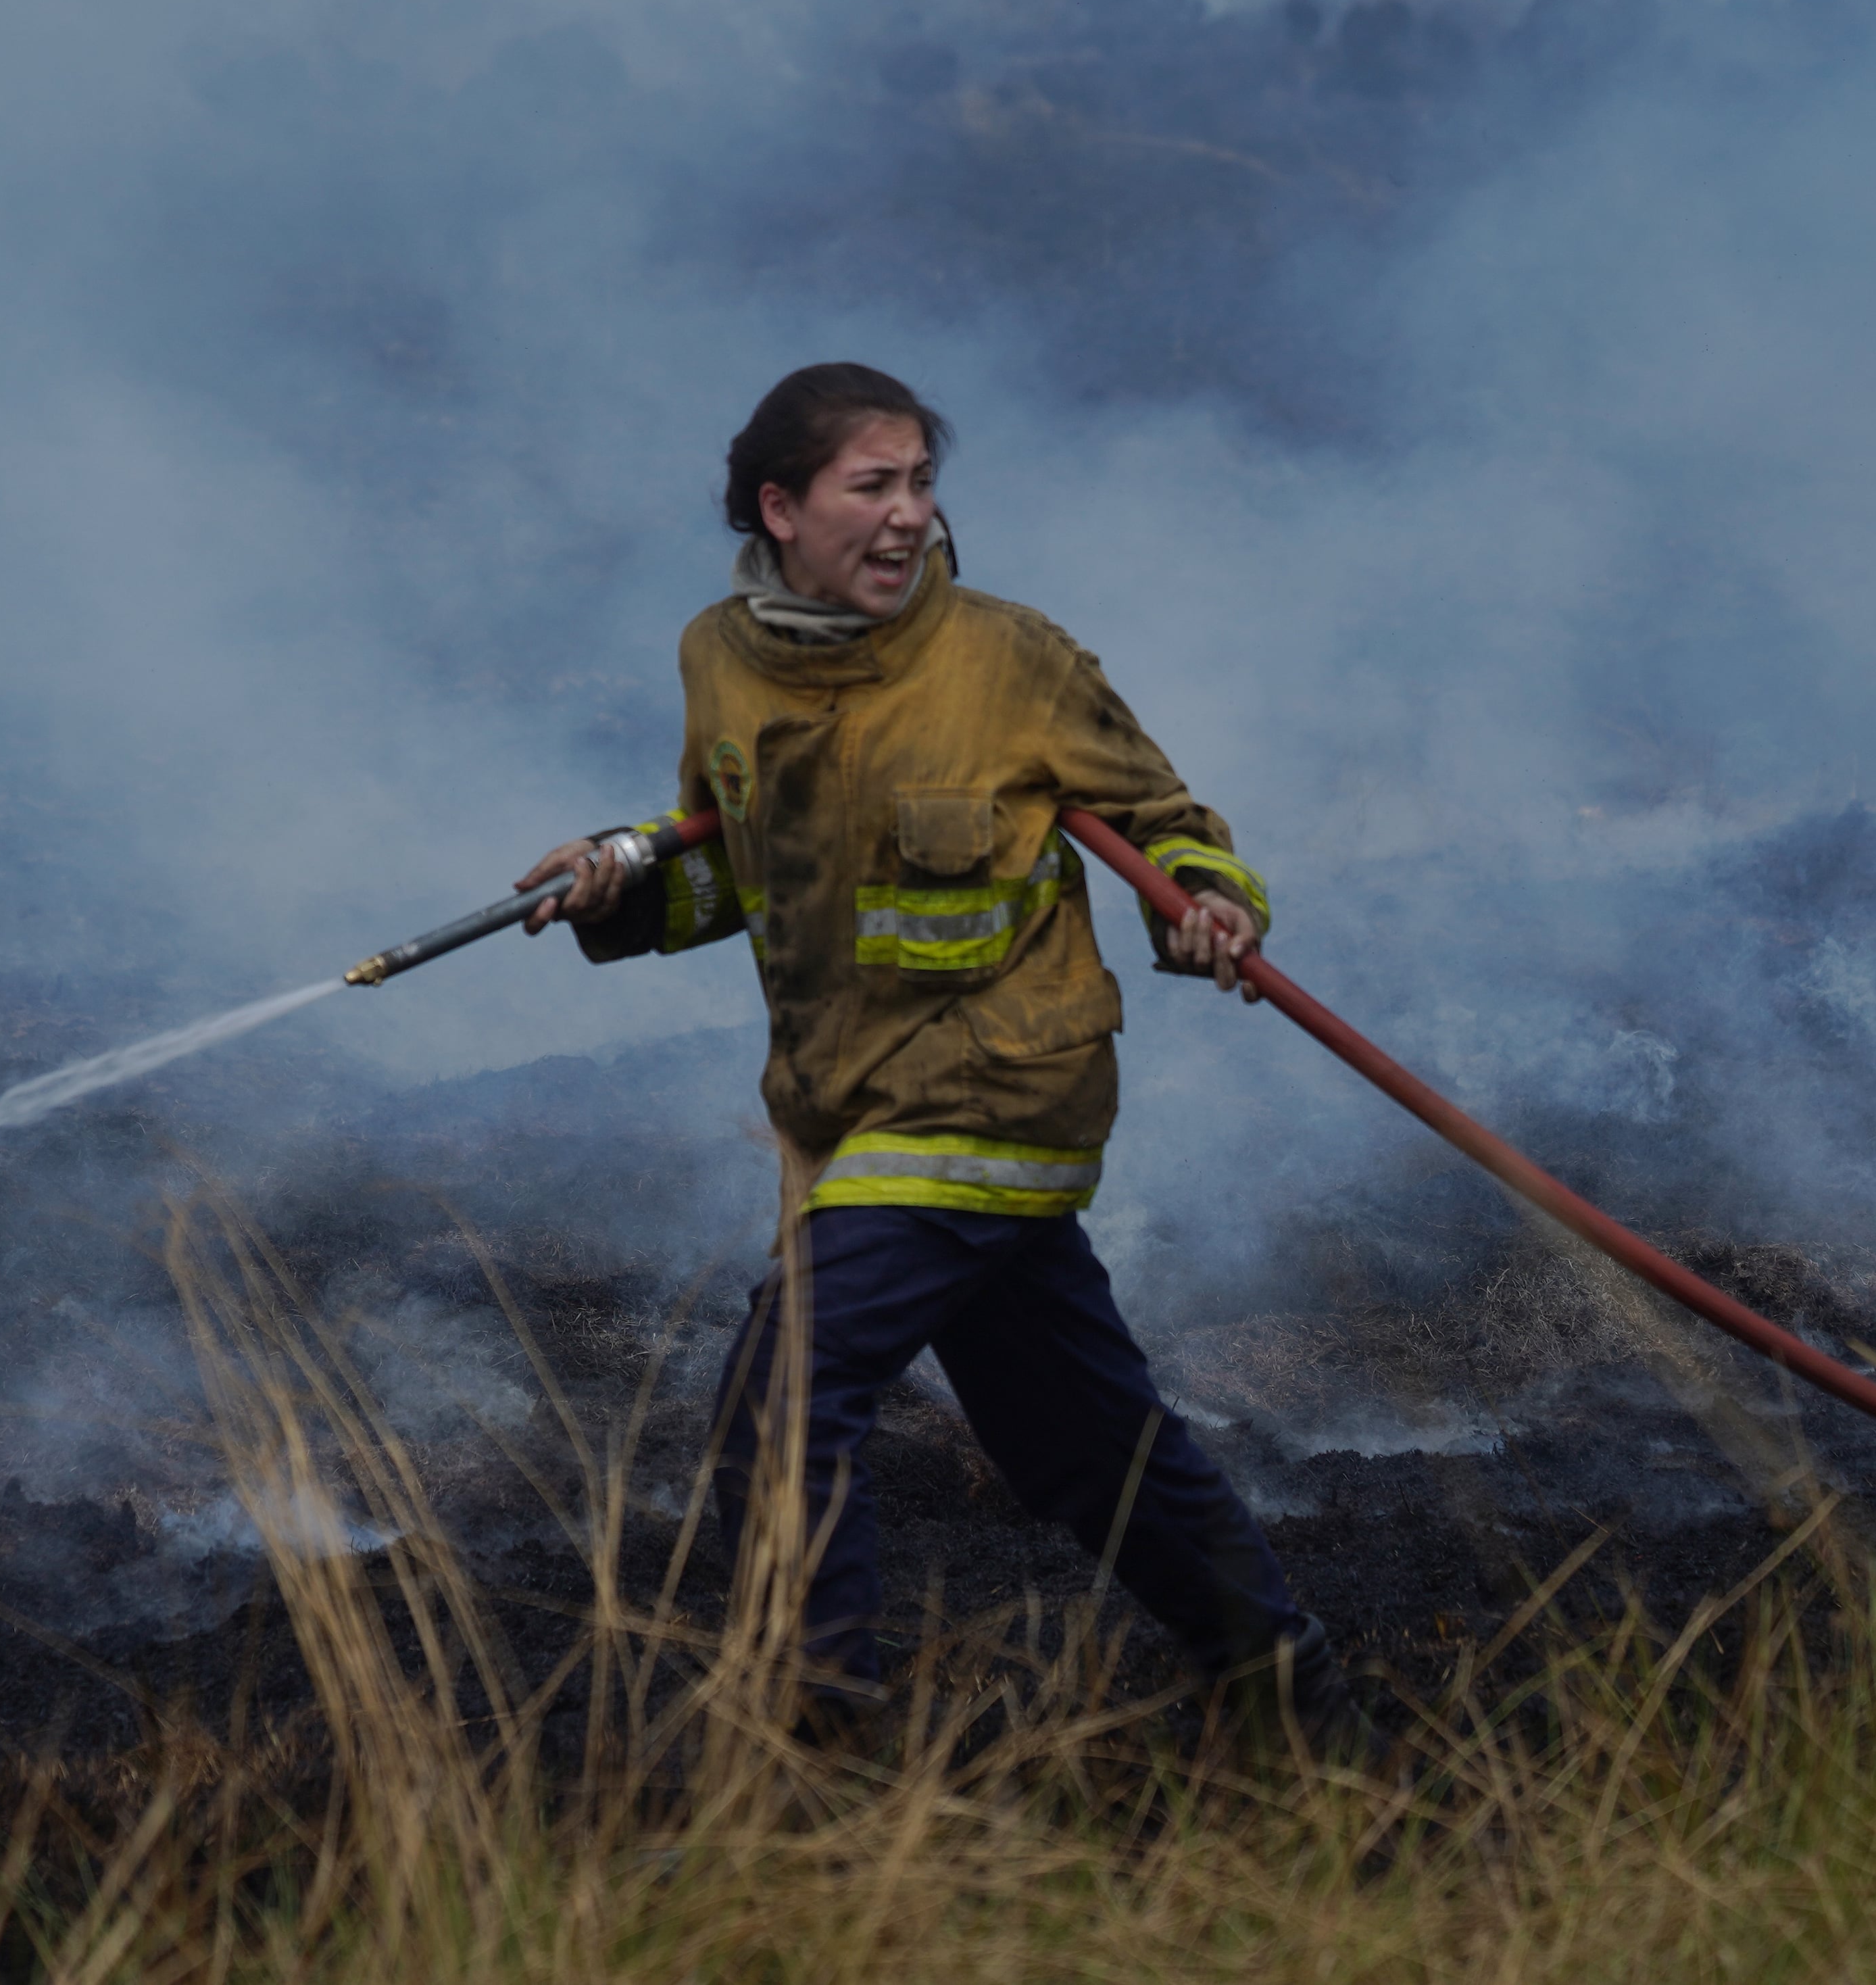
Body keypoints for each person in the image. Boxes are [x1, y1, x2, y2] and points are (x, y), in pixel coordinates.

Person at [517, 361, 1356, 1745]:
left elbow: (1167, 816)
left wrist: (1209, 899)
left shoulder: (1010, 656)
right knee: (1085, 1449)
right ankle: (1300, 1703)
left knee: (784, 1390)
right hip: (849, 1111)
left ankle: (809, 1762)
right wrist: (620, 889)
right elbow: (736, 866)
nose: (908, 517)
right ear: (781, 509)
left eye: (921, 483)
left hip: (1001, 1091)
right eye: (873, 486)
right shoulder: (718, 657)